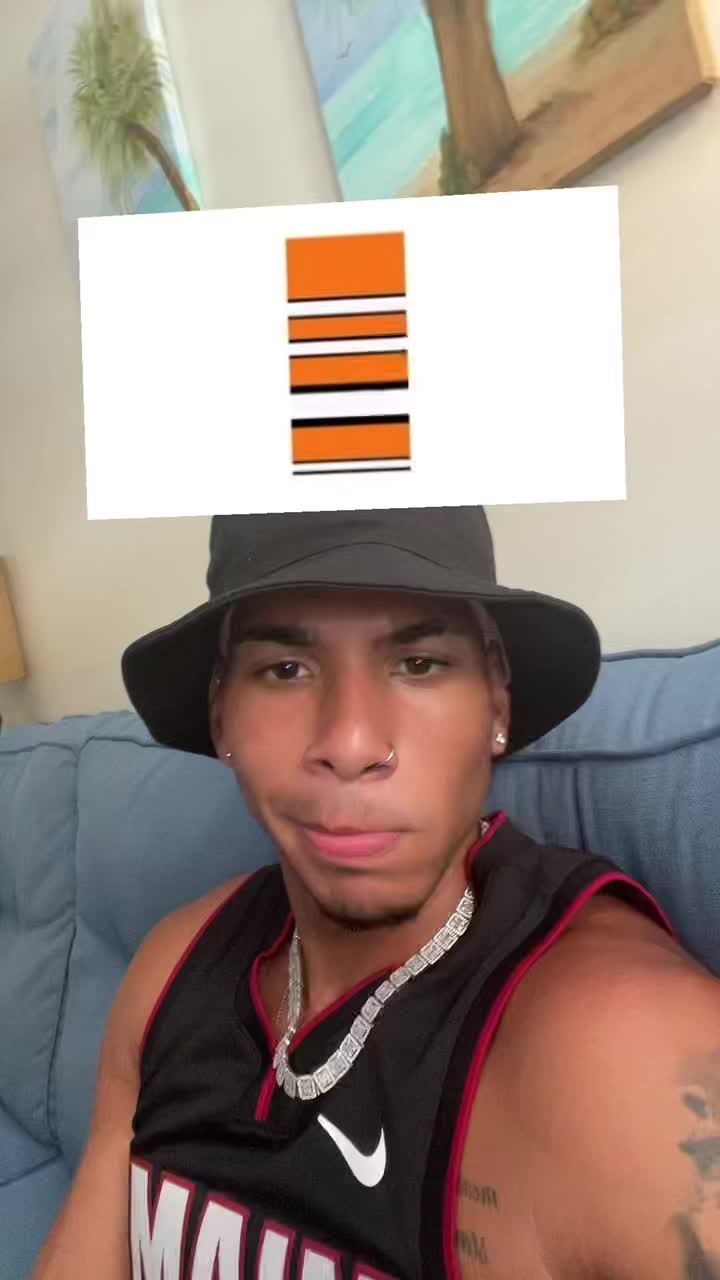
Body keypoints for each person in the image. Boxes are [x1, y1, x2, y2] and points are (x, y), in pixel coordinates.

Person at [32, 506, 720, 1280]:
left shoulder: (625, 1058)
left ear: (496, 702)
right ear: (221, 714)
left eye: (419, 663)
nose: (351, 744)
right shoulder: (171, 967)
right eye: (285, 670)